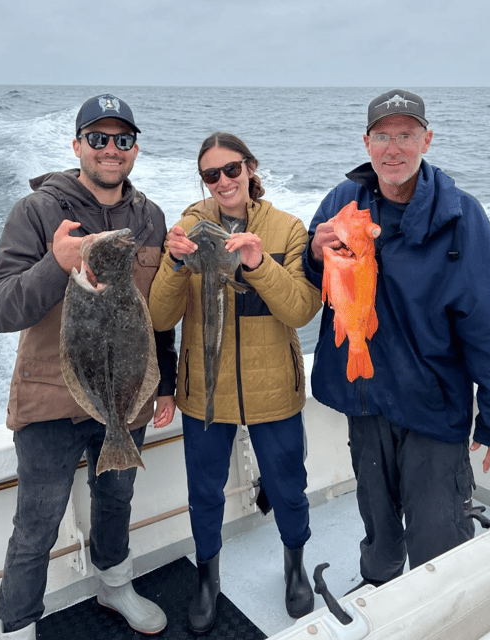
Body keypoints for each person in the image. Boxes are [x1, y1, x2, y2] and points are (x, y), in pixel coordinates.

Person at [302, 89, 490, 592]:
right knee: (376, 518)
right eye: (382, 136)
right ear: (366, 141)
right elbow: (314, 277)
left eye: (405, 135)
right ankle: (379, 587)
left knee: (438, 533)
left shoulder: (461, 217)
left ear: (427, 139)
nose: (393, 148)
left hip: (431, 404)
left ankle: (438, 606)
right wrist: (317, 254)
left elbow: (486, 323)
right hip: (367, 397)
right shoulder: (343, 201)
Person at [0, 94, 177, 639]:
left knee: (117, 500)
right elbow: (1, 308)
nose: (111, 150)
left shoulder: (150, 217)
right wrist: (56, 264)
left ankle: (115, 584)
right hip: (50, 397)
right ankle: (17, 627)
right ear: (77, 146)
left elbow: (156, 313)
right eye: (98, 138)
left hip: (127, 392)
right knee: (37, 523)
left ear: (135, 149)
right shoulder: (38, 211)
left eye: (123, 140)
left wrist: (167, 379)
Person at [149, 132, 322, 634]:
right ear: (202, 179)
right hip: (204, 389)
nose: (223, 181)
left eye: (231, 169)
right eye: (211, 174)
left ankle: (294, 564)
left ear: (250, 169)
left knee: (289, 487)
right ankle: (208, 575)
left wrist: (258, 263)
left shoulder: (289, 229)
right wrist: (176, 263)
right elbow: (161, 314)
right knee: (204, 491)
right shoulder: (187, 226)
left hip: (275, 389)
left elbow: (301, 308)